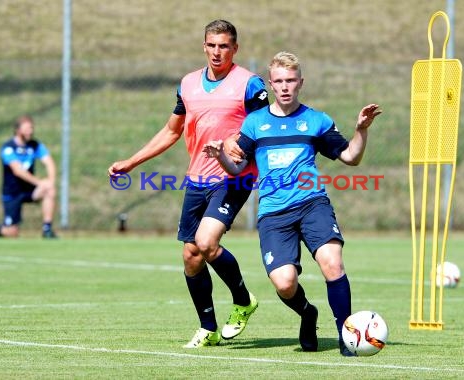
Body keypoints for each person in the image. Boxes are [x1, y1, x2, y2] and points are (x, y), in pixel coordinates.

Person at [203, 51, 382, 355]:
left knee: (332, 262)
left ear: (301, 83)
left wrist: (361, 130)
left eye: (291, 80)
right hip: (274, 214)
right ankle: (307, 313)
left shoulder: (316, 121)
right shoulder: (255, 124)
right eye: (279, 81)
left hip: (312, 204)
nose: (285, 86)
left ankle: (346, 335)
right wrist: (220, 155)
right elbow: (237, 168)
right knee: (284, 283)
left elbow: (350, 157)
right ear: (271, 84)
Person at [108, 20, 268, 348]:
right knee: (191, 255)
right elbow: (171, 130)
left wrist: (242, 149)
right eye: (211, 45)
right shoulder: (188, 84)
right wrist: (131, 161)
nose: (217, 52)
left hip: (234, 176)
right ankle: (207, 327)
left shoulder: (249, 85)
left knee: (207, 243)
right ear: (204, 46)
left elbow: (264, 127)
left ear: (235, 49)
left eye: (224, 45)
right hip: (197, 178)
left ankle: (242, 300)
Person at [0, 115, 58, 239]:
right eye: (27, 128)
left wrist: (50, 181)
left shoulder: (35, 145)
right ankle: (2, 228)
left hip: (29, 191)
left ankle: (47, 229)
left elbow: (49, 162)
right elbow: (18, 171)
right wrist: (39, 182)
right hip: (12, 193)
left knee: (49, 189)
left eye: (31, 128)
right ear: (17, 130)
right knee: (12, 233)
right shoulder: (8, 148)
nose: (30, 131)